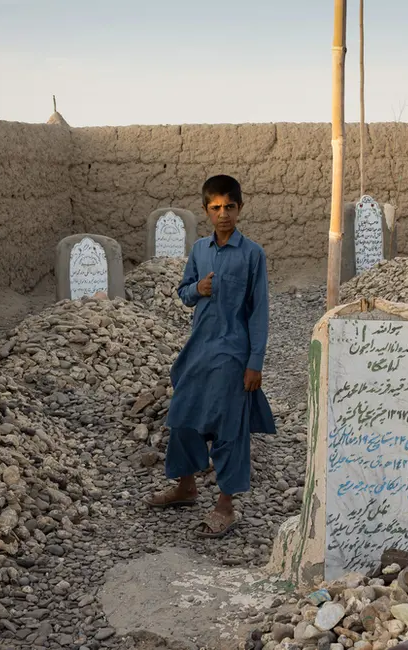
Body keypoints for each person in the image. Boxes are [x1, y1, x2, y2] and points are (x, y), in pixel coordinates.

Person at [144, 174, 276, 538]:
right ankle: (186, 488)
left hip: (233, 353)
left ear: (240, 209)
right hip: (198, 350)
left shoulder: (252, 254)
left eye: (229, 207)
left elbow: (259, 311)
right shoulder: (200, 250)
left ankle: (225, 506)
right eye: (215, 208)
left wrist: (255, 362)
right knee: (183, 416)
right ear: (205, 211)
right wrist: (197, 289)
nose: (223, 214)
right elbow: (183, 292)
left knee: (229, 427)